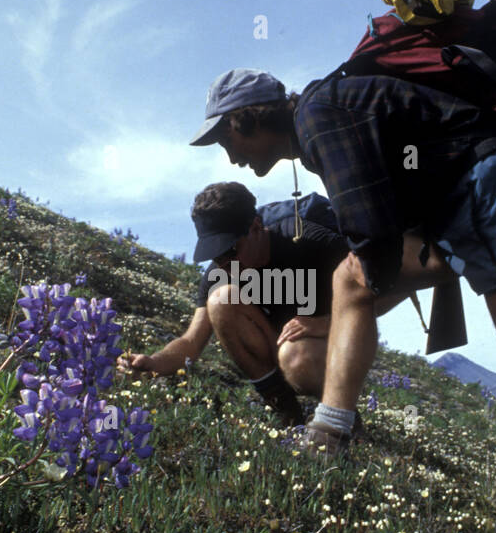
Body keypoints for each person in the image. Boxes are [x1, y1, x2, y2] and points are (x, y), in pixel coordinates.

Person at [189, 67, 496, 533]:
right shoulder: (323, 117)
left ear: (251, 118)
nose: (231, 157)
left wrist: (326, 317)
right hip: (481, 192)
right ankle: (330, 431)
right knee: (351, 280)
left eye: (229, 137)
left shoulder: (318, 119)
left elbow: (374, 239)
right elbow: (373, 250)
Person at [117, 181, 410, 427]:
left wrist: (325, 323)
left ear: (256, 227)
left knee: (296, 356)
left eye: (232, 250)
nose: (226, 264)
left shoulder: (309, 239)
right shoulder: (222, 272)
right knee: (221, 300)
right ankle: (284, 408)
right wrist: (153, 362)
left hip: (318, 349)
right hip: (276, 347)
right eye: (216, 255)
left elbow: (391, 288)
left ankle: (339, 413)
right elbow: (191, 342)